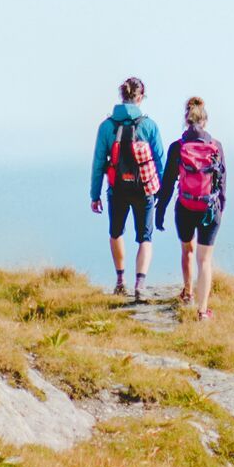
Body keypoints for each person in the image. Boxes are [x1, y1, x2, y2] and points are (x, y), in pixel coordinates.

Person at [88, 75, 165, 300]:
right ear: (140, 97)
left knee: (116, 232)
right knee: (145, 238)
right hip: (144, 190)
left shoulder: (106, 126)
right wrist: (158, 190)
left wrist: (95, 194)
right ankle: (140, 284)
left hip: (117, 189)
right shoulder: (149, 125)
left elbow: (98, 162)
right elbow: (159, 160)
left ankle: (120, 280)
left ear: (122, 96)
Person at [158, 95, 226, 321]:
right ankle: (202, 310)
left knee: (187, 250)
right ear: (205, 121)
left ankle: (187, 292)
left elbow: (167, 183)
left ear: (186, 121)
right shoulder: (216, 147)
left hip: (185, 207)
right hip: (210, 210)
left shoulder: (177, 147)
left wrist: (160, 212)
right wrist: (219, 210)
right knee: (204, 260)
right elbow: (222, 184)